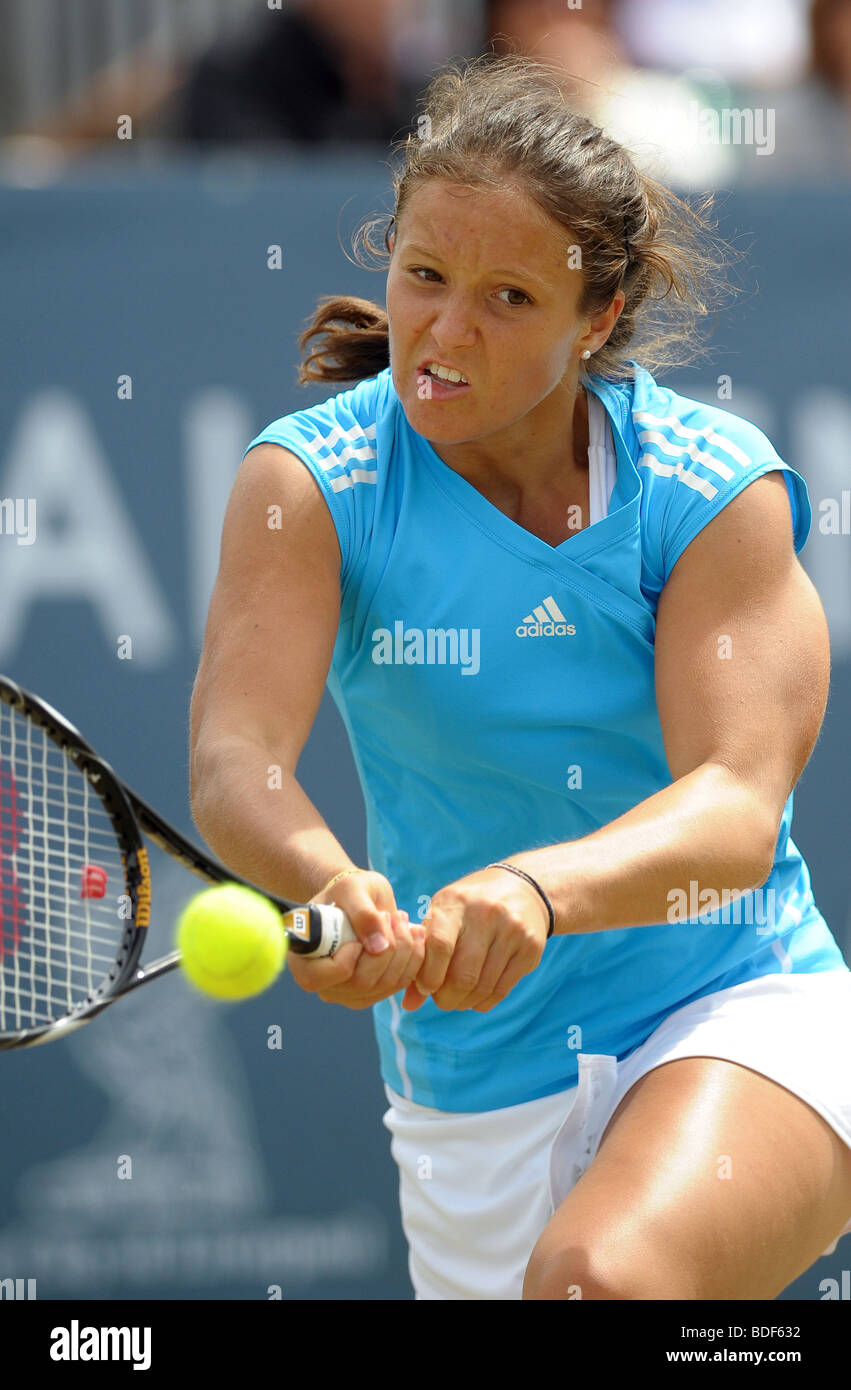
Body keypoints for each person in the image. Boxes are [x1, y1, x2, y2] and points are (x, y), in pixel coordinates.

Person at [188, 52, 851, 1300]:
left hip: (728, 1004)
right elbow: (238, 762)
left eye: (505, 298)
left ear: (593, 320)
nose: (443, 332)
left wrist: (535, 892)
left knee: (601, 1281)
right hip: (474, 1086)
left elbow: (732, 811)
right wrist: (332, 885)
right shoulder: (310, 483)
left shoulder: (709, 489)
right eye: (424, 276)